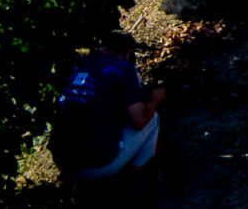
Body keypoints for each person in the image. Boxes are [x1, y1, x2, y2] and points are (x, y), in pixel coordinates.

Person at [50, 32, 167, 188]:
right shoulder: (123, 69)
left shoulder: (78, 65)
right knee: (152, 120)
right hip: (97, 165)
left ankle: (77, 186)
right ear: (128, 53)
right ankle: (136, 181)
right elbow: (139, 121)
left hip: (63, 162)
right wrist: (153, 101)